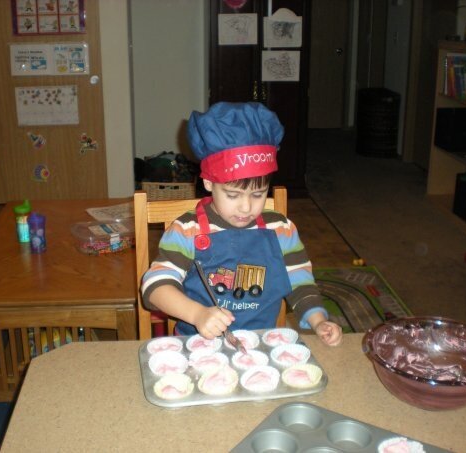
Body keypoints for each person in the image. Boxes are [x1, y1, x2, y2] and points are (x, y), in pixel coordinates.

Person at [141, 102, 343, 347]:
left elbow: (300, 283)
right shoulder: (186, 230)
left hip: (262, 345)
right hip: (197, 345)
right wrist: (197, 314)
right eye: (233, 195)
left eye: (258, 194)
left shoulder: (281, 229)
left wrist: (318, 320)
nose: (246, 207)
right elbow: (155, 287)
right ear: (208, 183)